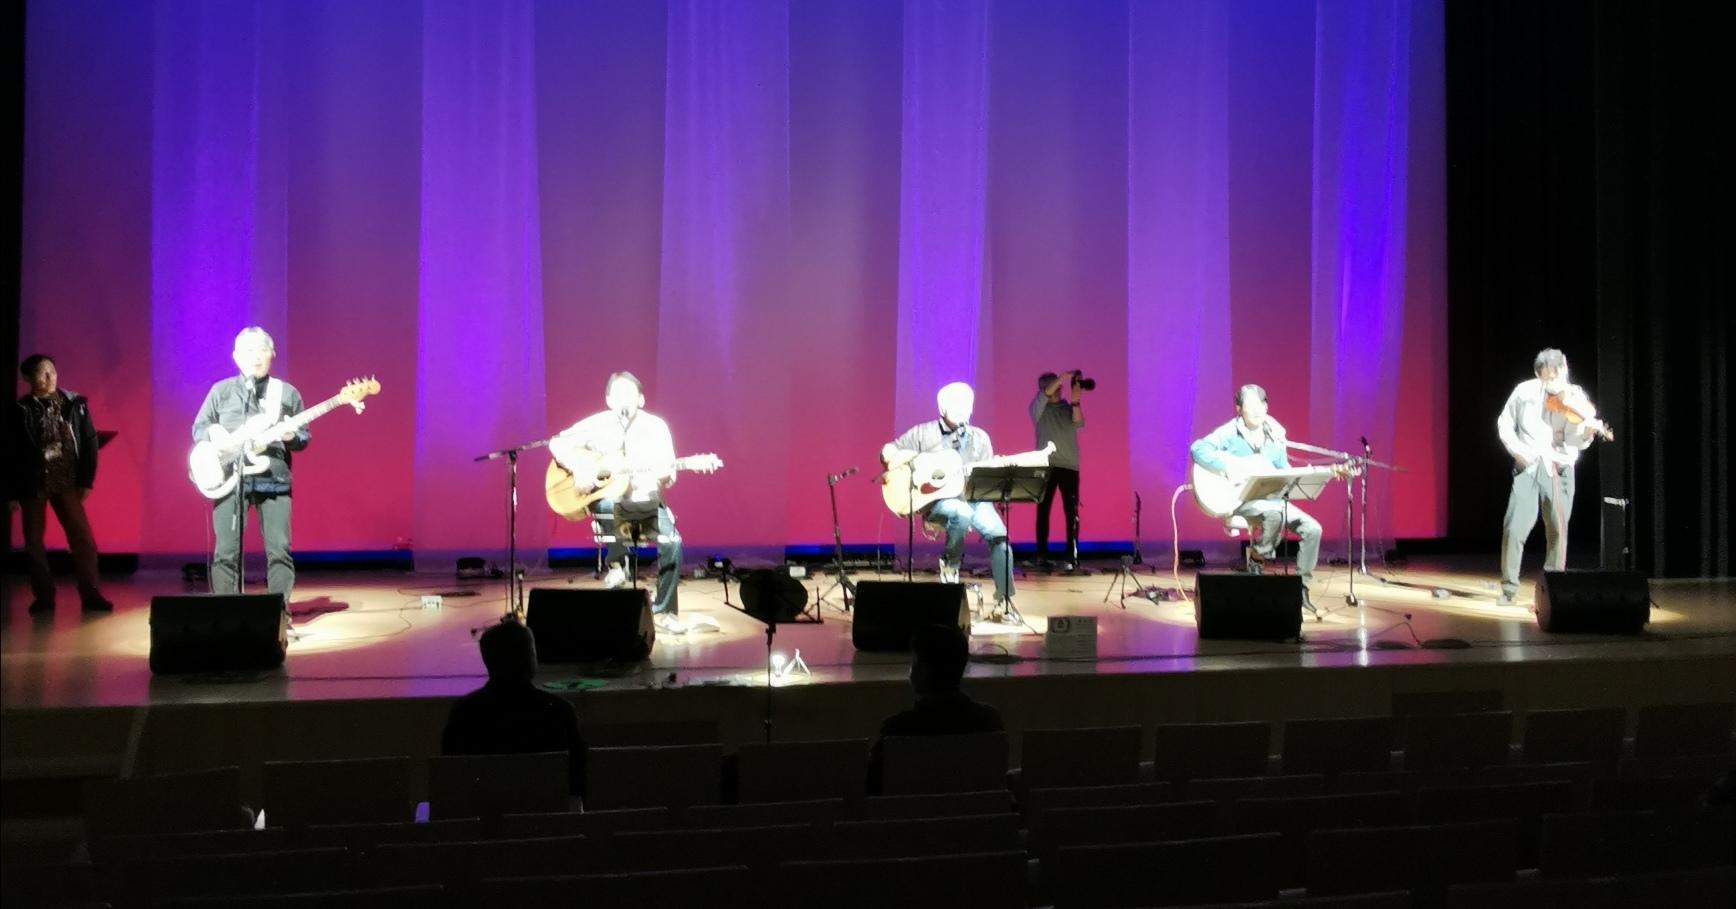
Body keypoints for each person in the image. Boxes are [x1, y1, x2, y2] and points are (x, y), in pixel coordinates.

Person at [549, 372, 710, 635]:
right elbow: (557, 443)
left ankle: (664, 610)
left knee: (673, 542)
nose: (624, 398)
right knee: (607, 503)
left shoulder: (656, 427)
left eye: (630, 393)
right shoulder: (597, 424)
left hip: (645, 503)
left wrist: (658, 473)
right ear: (609, 400)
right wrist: (579, 468)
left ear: (641, 399)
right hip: (610, 504)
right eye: (618, 394)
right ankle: (617, 563)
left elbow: (669, 476)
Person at [191, 327, 308, 598]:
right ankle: (227, 610)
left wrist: (291, 435)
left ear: (272, 354)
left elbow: (304, 437)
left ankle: (279, 611)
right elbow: (199, 428)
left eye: (261, 349)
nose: (255, 356)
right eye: (248, 350)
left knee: (279, 550)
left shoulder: (286, 393)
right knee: (226, 552)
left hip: (274, 479)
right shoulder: (220, 391)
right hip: (229, 479)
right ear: (235, 356)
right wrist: (214, 433)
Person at [883, 382, 1015, 612]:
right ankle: (950, 564)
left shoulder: (980, 438)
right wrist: (901, 459)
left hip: (975, 499)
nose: (962, 408)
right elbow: (888, 451)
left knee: (1000, 538)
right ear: (942, 407)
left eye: (966, 404)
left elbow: (985, 479)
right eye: (956, 404)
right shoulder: (923, 433)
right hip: (938, 501)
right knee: (960, 512)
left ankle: (1005, 601)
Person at [1189, 384, 1324, 609]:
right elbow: (1197, 449)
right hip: (1242, 499)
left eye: (1261, 404)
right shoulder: (1230, 432)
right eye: (1250, 405)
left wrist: (1303, 474)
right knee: (1274, 514)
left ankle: (1301, 590)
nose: (1257, 409)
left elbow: (1283, 469)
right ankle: (1258, 558)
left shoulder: (1275, 434)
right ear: (1239, 409)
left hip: (1272, 500)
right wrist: (1227, 467)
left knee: (1313, 529)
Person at [1495, 348, 1608, 606]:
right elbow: (1505, 423)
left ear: (1565, 369)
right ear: (1539, 375)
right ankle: (1509, 588)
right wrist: (1518, 451)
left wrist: (1586, 433)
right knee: (1514, 527)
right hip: (1528, 465)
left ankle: (1552, 590)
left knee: (1558, 528)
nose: (1555, 384)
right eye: (1548, 378)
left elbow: (1576, 442)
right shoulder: (1524, 392)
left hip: (1559, 467)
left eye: (1558, 376)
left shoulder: (1575, 397)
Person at [8, 355, 111, 613]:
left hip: (66, 479)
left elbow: (89, 442)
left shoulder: (74, 403)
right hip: (33, 482)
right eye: (42, 372)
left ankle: (90, 593)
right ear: (28, 378)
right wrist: (11, 492)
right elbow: (9, 453)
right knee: (33, 541)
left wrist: (86, 480)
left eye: (52, 371)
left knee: (82, 537)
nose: (49, 377)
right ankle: (44, 596)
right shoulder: (20, 409)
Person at [441, 619, 587, 798]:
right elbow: (578, 778)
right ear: (531, 658)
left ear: (487, 660)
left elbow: (451, 775)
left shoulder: (463, 712)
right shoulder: (560, 711)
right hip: (545, 809)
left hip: (484, 810)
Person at [867, 623, 1004, 793]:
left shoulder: (896, 729)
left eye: (914, 664)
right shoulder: (989, 722)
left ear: (922, 671)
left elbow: (873, 786)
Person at [1030, 371, 1085, 569]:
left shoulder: (1067, 408)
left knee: (1072, 512)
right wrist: (1063, 376)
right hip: (1046, 466)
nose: (1059, 389)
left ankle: (1072, 556)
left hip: (1069, 466)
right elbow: (1046, 394)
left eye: (1060, 387)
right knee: (1043, 511)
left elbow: (1079, 423)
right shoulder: (1038, 408)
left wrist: (1076, 401)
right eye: (1054, 386)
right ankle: (1041, 555)